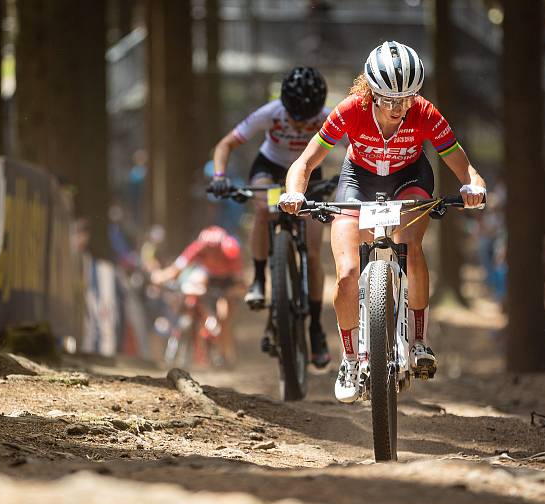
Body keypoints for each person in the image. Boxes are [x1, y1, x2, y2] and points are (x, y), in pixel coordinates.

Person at [279, 41, 487, 402]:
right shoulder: (349, 111)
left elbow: (464, 166)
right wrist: (295, 192)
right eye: (389, 100)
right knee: (345, 274)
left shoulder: (425, 113)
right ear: (371, 93)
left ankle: (419, 340)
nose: (398, 108)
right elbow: (305, 163)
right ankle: (349, 358)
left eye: (406, 99)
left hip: (410, 180)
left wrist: (474, 187)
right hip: (358, 180)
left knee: (410, 246)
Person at [209, 66, 333, 369]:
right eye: (294, 117)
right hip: (270, 168)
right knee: (264, 207)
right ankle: (258, 278)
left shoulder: (329, 117)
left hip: (308, 175)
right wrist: (220, 175)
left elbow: (357, 146)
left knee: (315, 254)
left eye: (308, 119)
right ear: (284, 106)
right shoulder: (271, 112)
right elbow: (225, 144)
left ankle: (316, 328)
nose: (301, 125)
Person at [151, 226, 243, 363]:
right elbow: (177, 269)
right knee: (195, 283)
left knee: (224, 315)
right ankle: (199, 324)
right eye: (207, 250)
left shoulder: (230, 250)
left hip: (228, 281)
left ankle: (225, 351)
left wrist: (234, 292)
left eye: (214, 251)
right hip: (209, 278)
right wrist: (159, 277)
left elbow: (240, 281)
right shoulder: (198, 248)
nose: (211, 254)